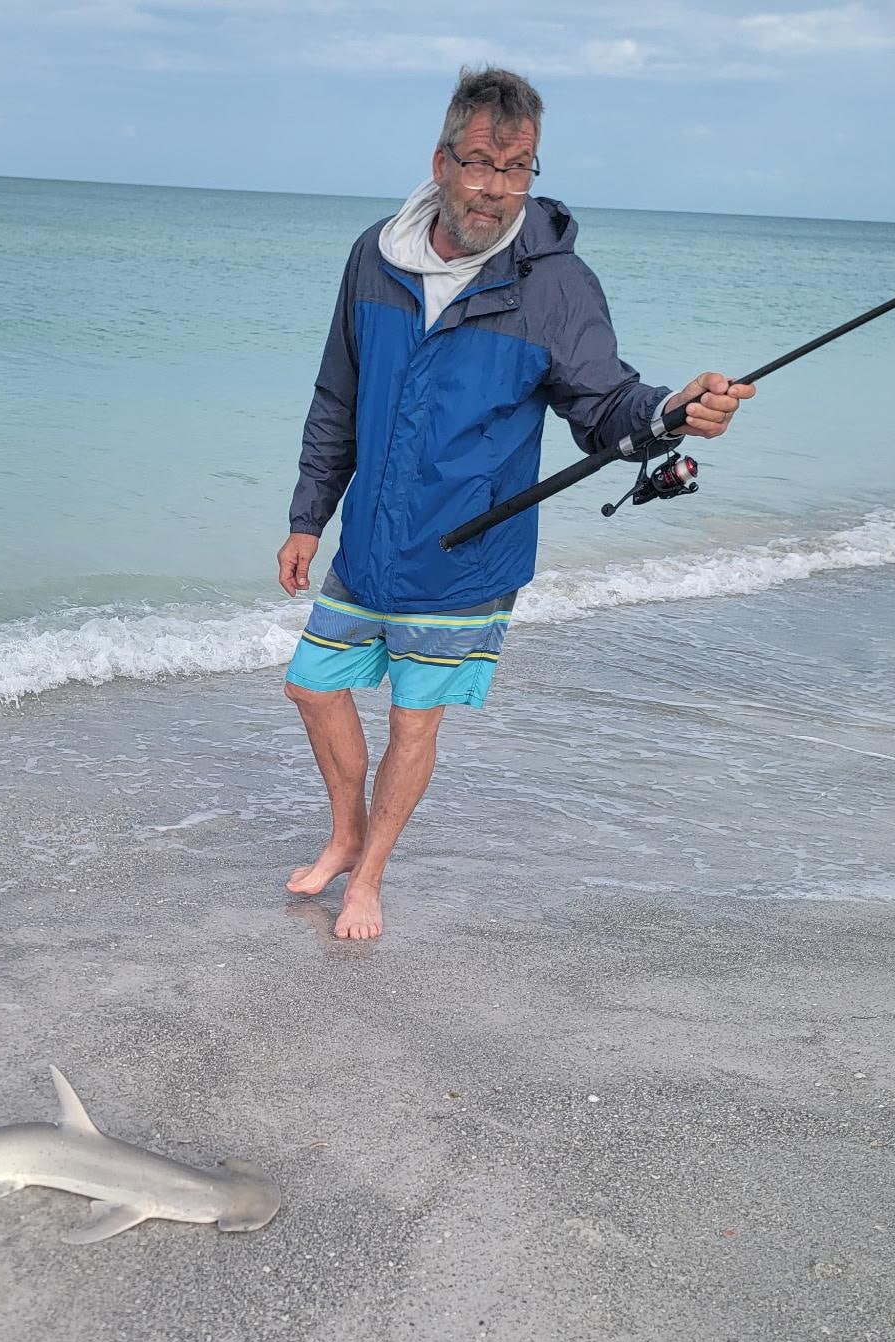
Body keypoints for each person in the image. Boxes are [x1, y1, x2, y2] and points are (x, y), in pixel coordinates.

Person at [278, 66, 755, 939]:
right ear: (442, 160)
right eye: (481, 164)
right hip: (371, 546)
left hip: (468, 553)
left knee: (414, 721)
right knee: (312, 686)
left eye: (517, 168)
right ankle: (345, 835)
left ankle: (370, 876)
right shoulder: (375, 256)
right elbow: (337, 397)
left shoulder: (555, 285)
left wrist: (671, 415)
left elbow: (604, 407)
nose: (496, 189)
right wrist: (310, 515)